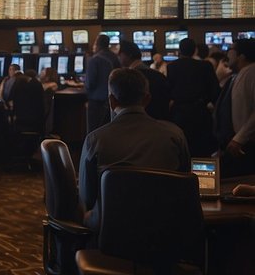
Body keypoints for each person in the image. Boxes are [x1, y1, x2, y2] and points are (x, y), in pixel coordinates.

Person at [78, 67, 189, 229]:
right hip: (164, 232)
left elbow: (86, 198)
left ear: (112, 101)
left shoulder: (94, 140)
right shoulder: (174, 135)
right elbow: (184, 187)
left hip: (111, 234)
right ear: (147, 99)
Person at [166, 36, 219, 156]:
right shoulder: (205, 66)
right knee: (202, 151)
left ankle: (183, 173)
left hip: (179, 114)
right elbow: (215, 91)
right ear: (195, 50)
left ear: (179, 50)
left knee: (182, 150)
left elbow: (169, 91)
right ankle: (202, 174)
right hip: (200, 112)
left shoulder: (172, 67)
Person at [215, 38, 255, 177]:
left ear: (241, 56)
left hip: (245, 144)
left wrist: (239, 138)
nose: (227, 54)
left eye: (231, 50)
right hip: (236, 143)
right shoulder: (238, 74)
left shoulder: (252, 73)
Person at [118, 41, 170, 122]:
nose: (118, 57)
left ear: (129, 55)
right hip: (159, 124)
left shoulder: (127, 78)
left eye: (120, 54)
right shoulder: (158, 76)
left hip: (135, 124)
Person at [83, 33, 121, 133]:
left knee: (94, 132)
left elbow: (90, 83)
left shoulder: (94, 60)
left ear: (97, 45)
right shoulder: (115, 58)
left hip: (96, 102)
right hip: (114, 101)